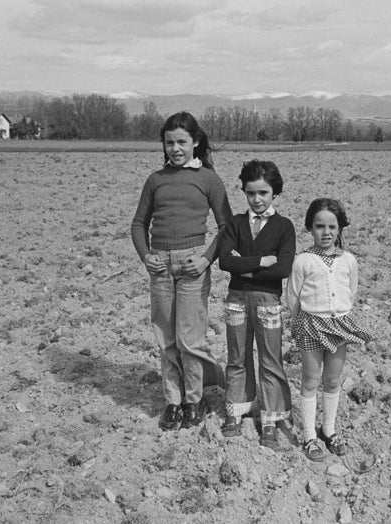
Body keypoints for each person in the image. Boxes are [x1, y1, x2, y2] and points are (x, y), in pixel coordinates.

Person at [131, 111, 232, 431]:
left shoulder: (208, 180)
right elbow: (138, 225)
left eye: (182, 142)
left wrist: (205, 260)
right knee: (166, 338)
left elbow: (227, 227)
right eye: (169, 142)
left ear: (196, 142)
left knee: (190, 339)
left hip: (193, 266)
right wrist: (146, 256)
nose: (175, 148)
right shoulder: (155, 180)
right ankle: (173, 401)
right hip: (160, 266)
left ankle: (195, 398)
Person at [286, 198, 373, 461]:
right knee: (311, 379)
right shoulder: (303, 260)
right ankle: (310, 435)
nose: (326, 232)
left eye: (332, 227)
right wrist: (304, 320)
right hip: (311, 324)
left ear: (340, 229)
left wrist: (338, 313)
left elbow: (351, 290)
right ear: (310, 229)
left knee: (333, 379)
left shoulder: (348, 260)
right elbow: (293, 296)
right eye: (319, 226)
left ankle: (329, 429)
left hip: (338, 324)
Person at [218, 160, 296, 449]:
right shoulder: (235, 224)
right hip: (237, 300)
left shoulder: (284, 227)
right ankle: (236, 411)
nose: (257, 199)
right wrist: (261, 262)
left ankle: (271, 419)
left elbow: (283, 268)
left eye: (263, 193)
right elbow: (225, 261)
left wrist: (243, 265)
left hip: (268, 301)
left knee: (270, 359)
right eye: (251, 193)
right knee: (237, 357)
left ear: (274, 192)